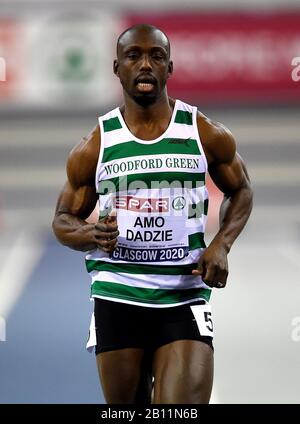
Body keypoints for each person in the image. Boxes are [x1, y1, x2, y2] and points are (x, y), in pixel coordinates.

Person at [52, 23, 253, 404]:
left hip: (183, 298)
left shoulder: (203, 133)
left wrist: (222, 244)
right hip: (117, 298)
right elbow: (62, 220)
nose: (145, 64)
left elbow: (241, 189)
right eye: (134, 56)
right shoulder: (97, 144)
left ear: (169, 68)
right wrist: (90, 234)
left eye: (156, 56)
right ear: (117, 68)